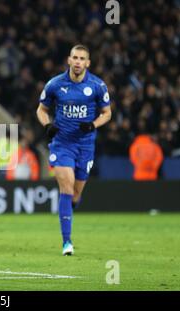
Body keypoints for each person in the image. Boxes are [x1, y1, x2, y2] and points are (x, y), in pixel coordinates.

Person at [36, 45, 112, 256]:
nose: (78, 62)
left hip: (85, 145)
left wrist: (93, 124)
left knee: (76, 195)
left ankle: (66, 211)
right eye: (75, 58)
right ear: (69, 60)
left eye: (82, 59)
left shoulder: (97, 86)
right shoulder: (55, 84)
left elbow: (107, 113)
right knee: (67, 188)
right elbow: (41, 110)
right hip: (62, 144)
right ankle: (66, 242)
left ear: (88, 63)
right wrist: (47, 125)